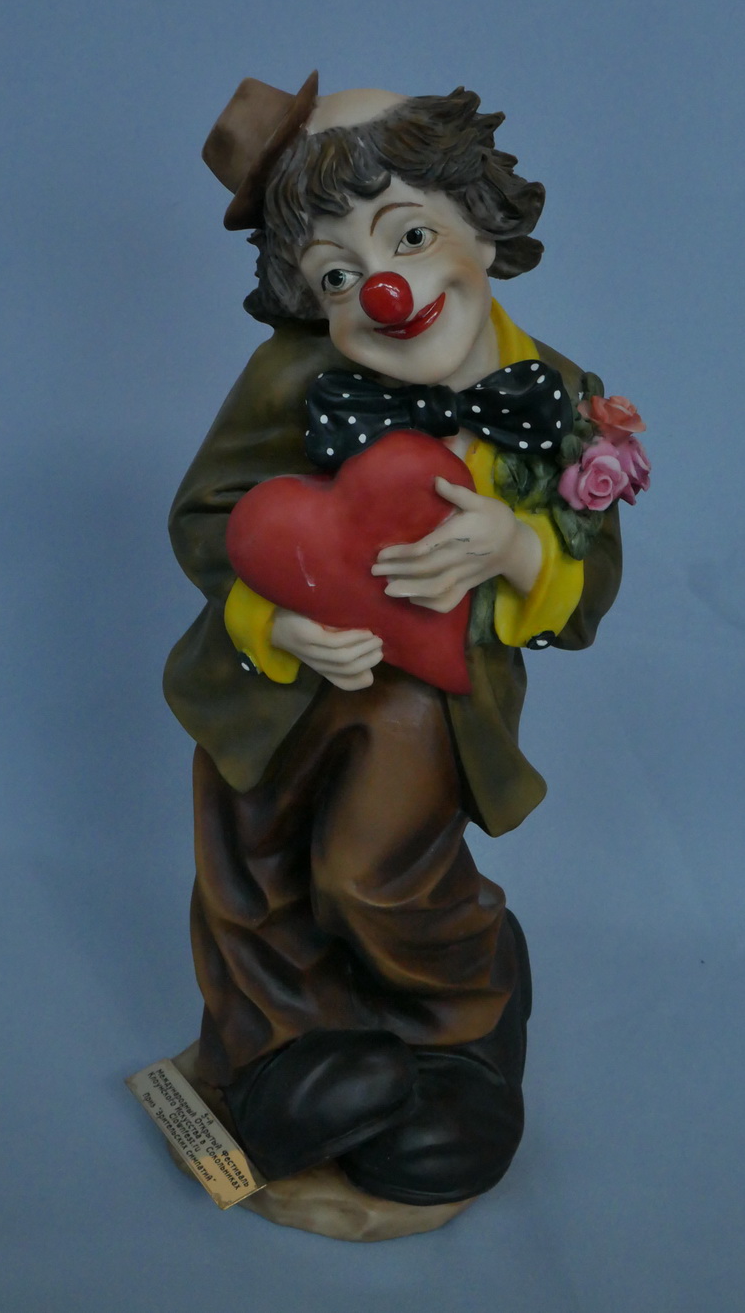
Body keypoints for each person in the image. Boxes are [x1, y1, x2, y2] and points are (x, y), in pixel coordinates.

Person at [164, 74, 624, 1207]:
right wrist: (275, 617)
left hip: (428, 693)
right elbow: (206, 517)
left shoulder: (554, 396)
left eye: (409, 236)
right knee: (249, 866)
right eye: (335, 274)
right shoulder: (289, 376)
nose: (381, 286)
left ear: (482, 223)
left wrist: (517, 549)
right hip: (268, 686)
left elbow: (588, 583)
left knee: (377, 874)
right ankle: (278, 1048)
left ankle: (459, 1031)